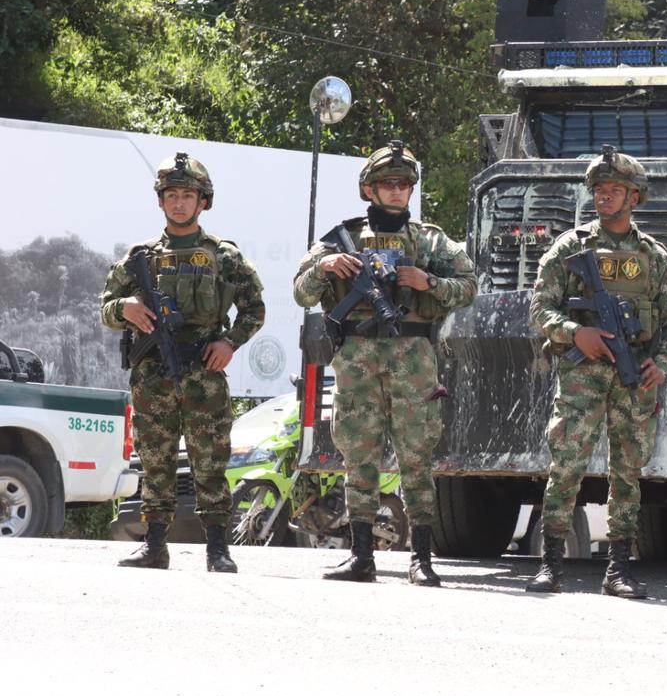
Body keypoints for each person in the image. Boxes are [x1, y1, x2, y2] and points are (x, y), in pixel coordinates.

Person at [293, 142, 476, 586]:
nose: (397, 191)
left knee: (417, 457)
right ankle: (361, 555)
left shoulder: (430, 240)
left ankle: (423, 558)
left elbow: (468, 284)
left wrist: (428, 280)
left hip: (413, 358)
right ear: (368, 190)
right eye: (387, 184)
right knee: (359, 455)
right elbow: (301, 292)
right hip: (356, 358)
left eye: (404, 184)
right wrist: (326, 268)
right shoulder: (342, 238)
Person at [524, 146, 667, 599]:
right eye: (599, 189)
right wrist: (577, 333)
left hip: (633, 375)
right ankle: (551, 564)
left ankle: (618, 568)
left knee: (628, 471)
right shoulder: (571, 248)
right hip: (584, 374)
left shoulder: (653, 257)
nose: (605, 197)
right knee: (567, 465)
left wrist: (664, 362)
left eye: (615, 190)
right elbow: (540, 307)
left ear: (635, 197)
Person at [102, 152, 265, 572]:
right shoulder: (139, 256)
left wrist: (229, 343)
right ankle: (154, 545)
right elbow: (104, 307)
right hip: (153, 372)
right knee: (154, 460)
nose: (178, 202)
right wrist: (127, 308)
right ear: (160, 201)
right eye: (171, 194)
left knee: (210, 461)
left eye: (187, 195)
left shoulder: (223, 256)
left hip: (204, 374)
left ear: (202, 201)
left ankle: (217, 548)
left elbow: (255, 309)